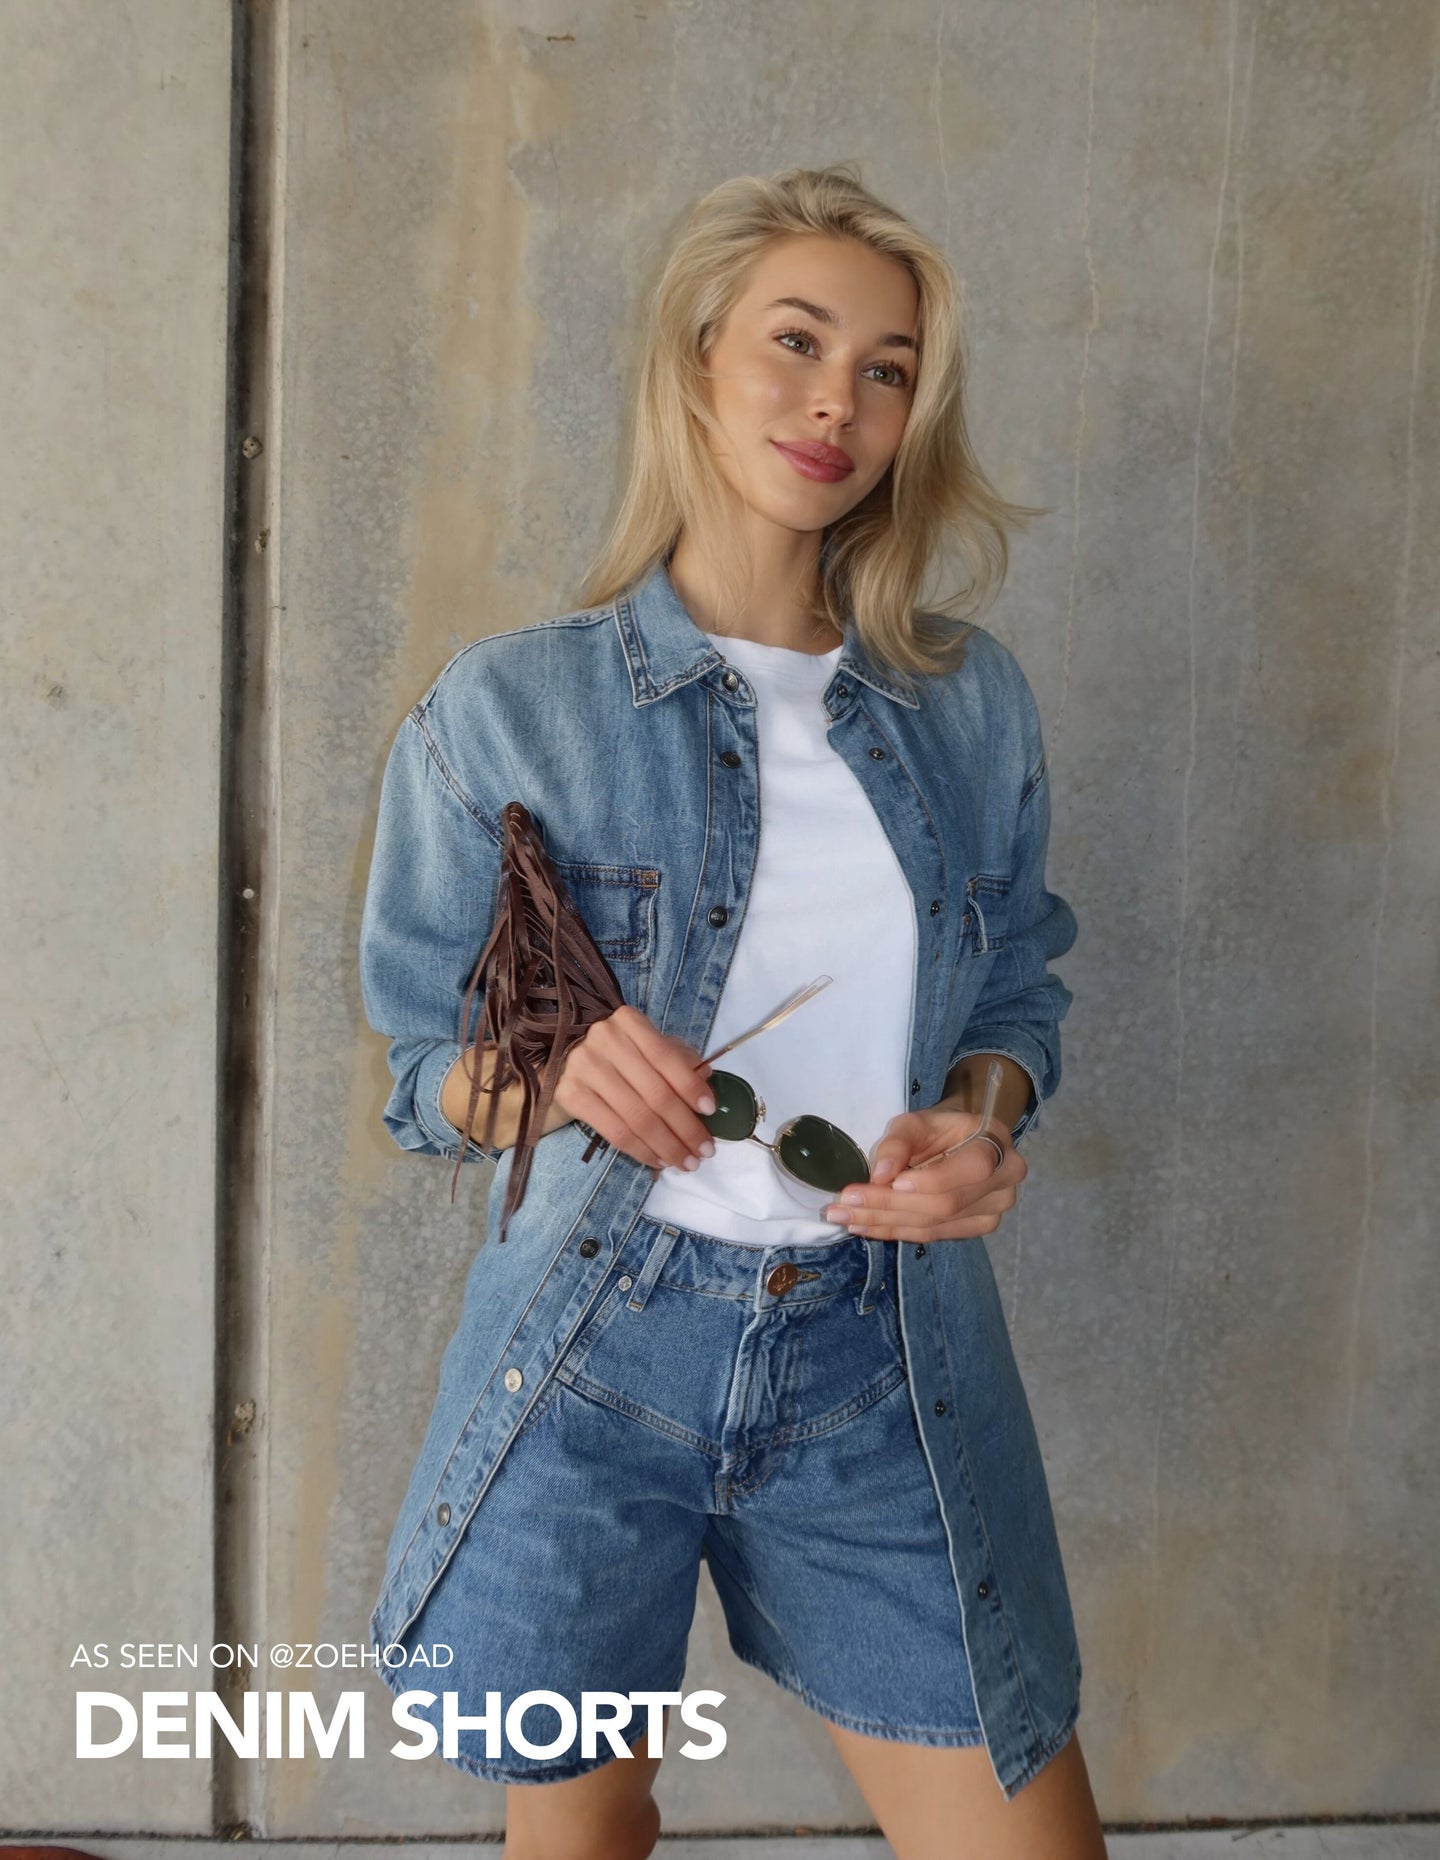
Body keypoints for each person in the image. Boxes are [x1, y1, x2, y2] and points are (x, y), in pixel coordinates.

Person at [359, 164, 1107, 1860]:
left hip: (879, 1357)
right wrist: (558, 1073)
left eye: (888, 369)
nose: (840, 400)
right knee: (581, 1833)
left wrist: (981, 1118)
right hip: (595, 1351)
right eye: (796, 341)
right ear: (696, 358)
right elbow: (421, 1076)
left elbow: (1016, 981)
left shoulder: (968, 704)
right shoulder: (510, 711)